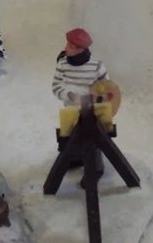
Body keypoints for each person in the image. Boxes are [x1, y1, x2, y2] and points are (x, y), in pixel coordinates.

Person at [52, 28, 110, 186]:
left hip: (92, 113)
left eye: (71, 46)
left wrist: (96, 96)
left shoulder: (97, 66)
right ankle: (74, 159)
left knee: (92, 139)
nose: (66, 48)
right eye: (67, 44)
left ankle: (95, 168)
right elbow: (56, 86)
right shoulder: (62, 64)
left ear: (81, 49)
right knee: (69, 137)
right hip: (71, 112)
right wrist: (69, 95)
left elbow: (106, 88)